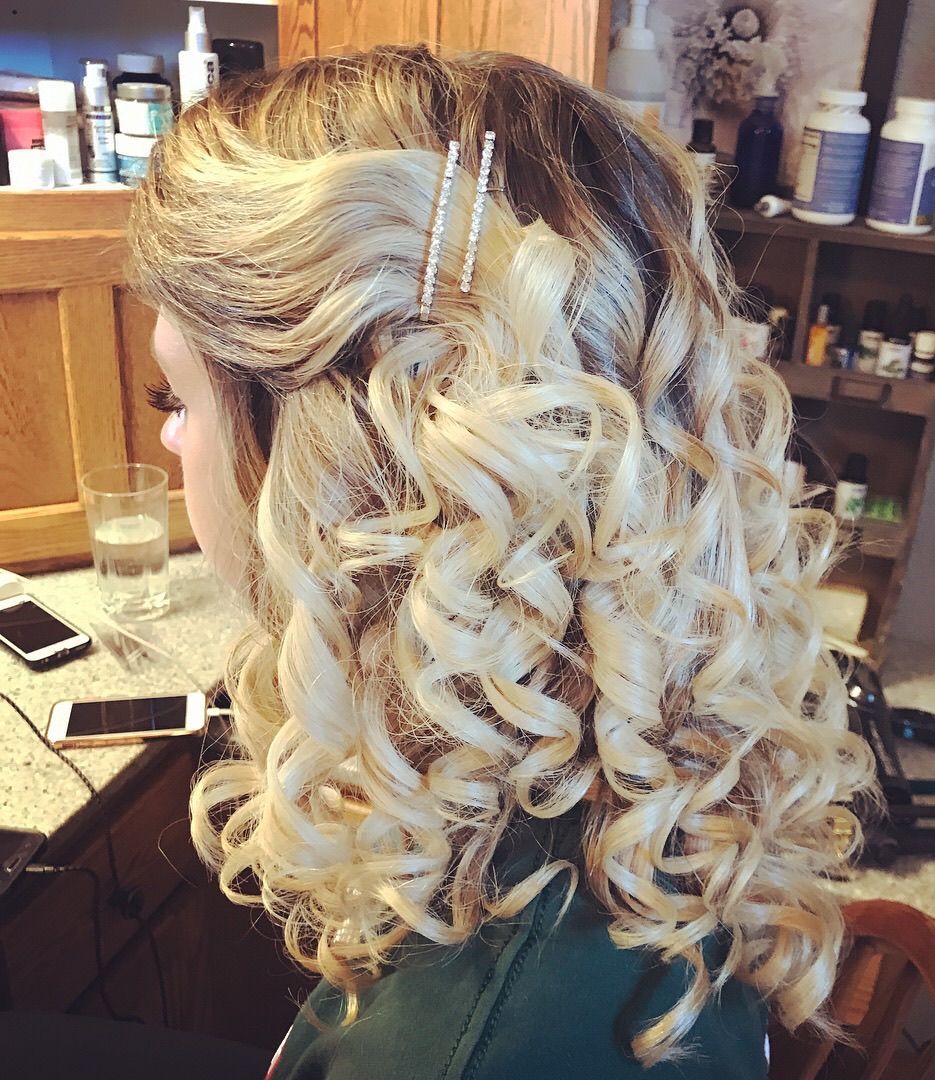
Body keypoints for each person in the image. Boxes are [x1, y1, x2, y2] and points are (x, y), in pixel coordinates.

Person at [127, 46, 874, 1078]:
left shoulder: (462, 1053)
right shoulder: (649, 760)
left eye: (176, 399)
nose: (172, 440)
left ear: (343, 467)